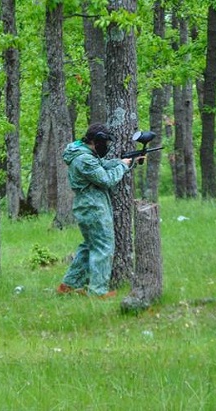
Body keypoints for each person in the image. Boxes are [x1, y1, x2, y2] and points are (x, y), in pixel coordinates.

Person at [56, 123, 139, 298]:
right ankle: (98, 291)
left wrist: (125, 161)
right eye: (105, 142)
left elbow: (101, 164)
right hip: (92, 205)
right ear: (96, 140)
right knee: (103, 247)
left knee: (89, 246)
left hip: (89, 204)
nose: (106, 146)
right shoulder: (84, 159)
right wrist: (122, 167)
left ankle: (69, 285)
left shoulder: (83, 153)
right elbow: (106, 180)